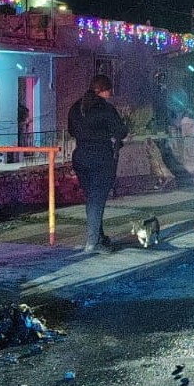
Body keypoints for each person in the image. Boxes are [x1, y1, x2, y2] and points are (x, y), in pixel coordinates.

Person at [68, 74, 128, 253]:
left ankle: (98, 237)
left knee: (92, 199)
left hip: (81, 157)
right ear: (104, 90)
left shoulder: (76, 107)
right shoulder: (105, 108)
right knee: (96, 200)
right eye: (109, 90)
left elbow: (71, 130)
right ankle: (93, 242)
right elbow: (121, 131)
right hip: (101, 158)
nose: (111, 94)